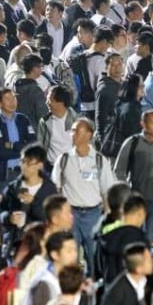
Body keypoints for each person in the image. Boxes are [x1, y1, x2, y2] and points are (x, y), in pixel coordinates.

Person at [50, 117, 117, 275]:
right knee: (68, 258)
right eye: (72, 131)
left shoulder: (100, 160)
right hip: (70, 215)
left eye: (77, 131)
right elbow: (56, 187)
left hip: (93, 215)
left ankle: (92, 287)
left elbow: (107, 189)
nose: (72, 134)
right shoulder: (64, 159)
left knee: (94, 258)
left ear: (89, 135)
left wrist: (108, 217)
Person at [114, 110, 153, 251]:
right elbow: (119, 170)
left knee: (151, 240)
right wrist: (127, 192)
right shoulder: (132, 143)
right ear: (143, 124)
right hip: (135, 199)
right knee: (133, 239)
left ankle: (149, 264)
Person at [96, 241, 153, 305]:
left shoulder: (147, 283)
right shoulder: (118, 292)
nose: (152, 261)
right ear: (138, 269)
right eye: (149, 259)